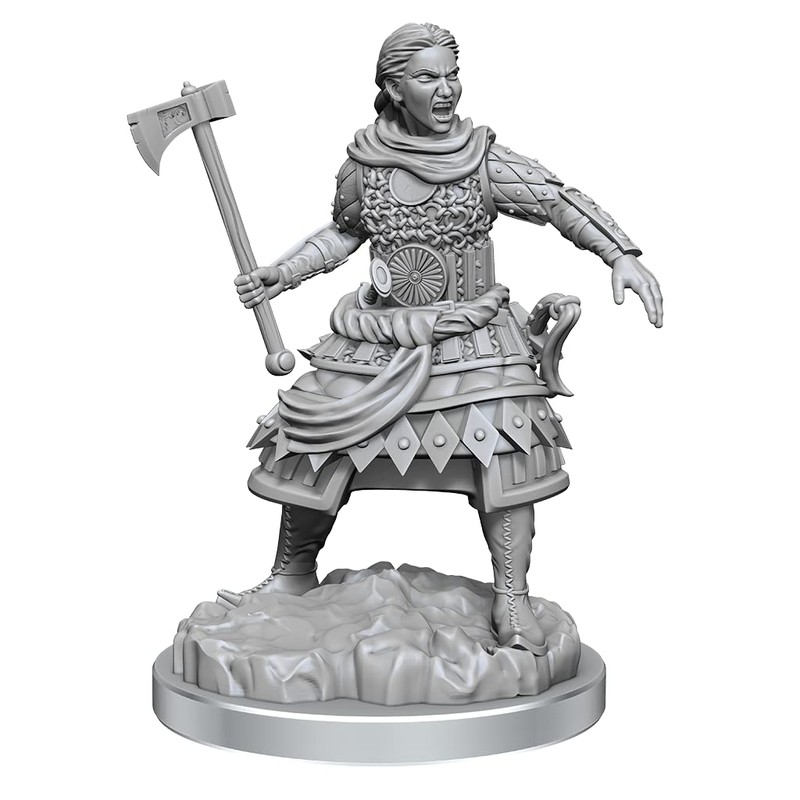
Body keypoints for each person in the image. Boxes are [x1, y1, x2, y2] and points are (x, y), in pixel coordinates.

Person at [217, 22, 663, 656]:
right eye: (428, 77)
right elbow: (344, 232)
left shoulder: (483, 160)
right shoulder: (365, 164)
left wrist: (620, 254)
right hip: (379, 332)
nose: (447, 89)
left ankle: (512, 597)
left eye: (452, 74)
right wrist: (282, 274)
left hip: (473, 334)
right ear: (394, 88)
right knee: (312, 430)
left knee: (506, 442)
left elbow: (558, 200)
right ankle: (291, 573)